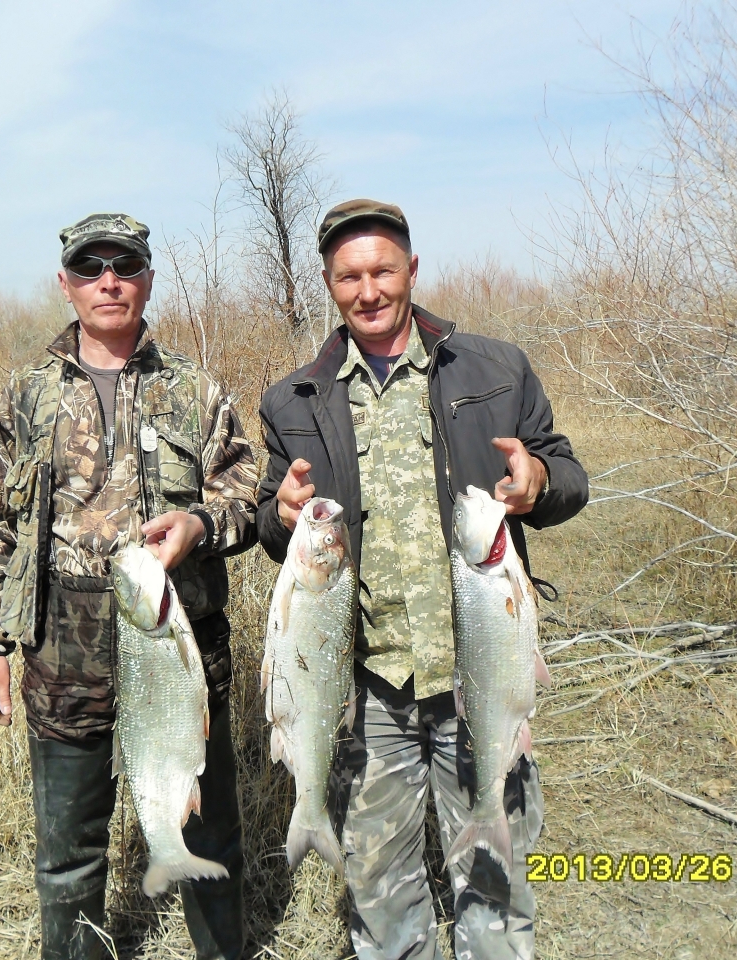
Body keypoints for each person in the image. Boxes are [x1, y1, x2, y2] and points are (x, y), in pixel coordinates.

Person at [256, 199, 589, 960]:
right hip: (370, 685)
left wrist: (538, 482)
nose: (368, 291)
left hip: (479, 671)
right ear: (329, 284)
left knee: (495, 880)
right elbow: (278, 533)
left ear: (412, 269)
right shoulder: (293, 399)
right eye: (349, 277)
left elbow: (567, 476)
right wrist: (281, 514)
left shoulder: (494, 369)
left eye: (382, 271)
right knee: (380, 891)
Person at [0, 213, 258, 960]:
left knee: (209, 832)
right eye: (89, 267)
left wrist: (199, 525)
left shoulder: (194, 389)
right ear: (64, 283)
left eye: (124, 266)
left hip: (179, 641)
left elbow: (246, 501)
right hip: (64, 646)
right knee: (69, 850)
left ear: (148, 281)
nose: (108, 281)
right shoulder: (27, 395)